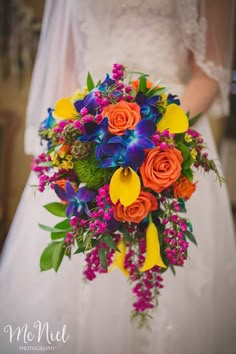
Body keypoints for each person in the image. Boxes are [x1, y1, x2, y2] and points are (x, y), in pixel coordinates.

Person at [0, 1, 236, 353]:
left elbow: (211, 72)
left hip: (171, 127)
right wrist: (74, 142)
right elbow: (65, 69)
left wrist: (157, 138)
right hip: (88, 130)